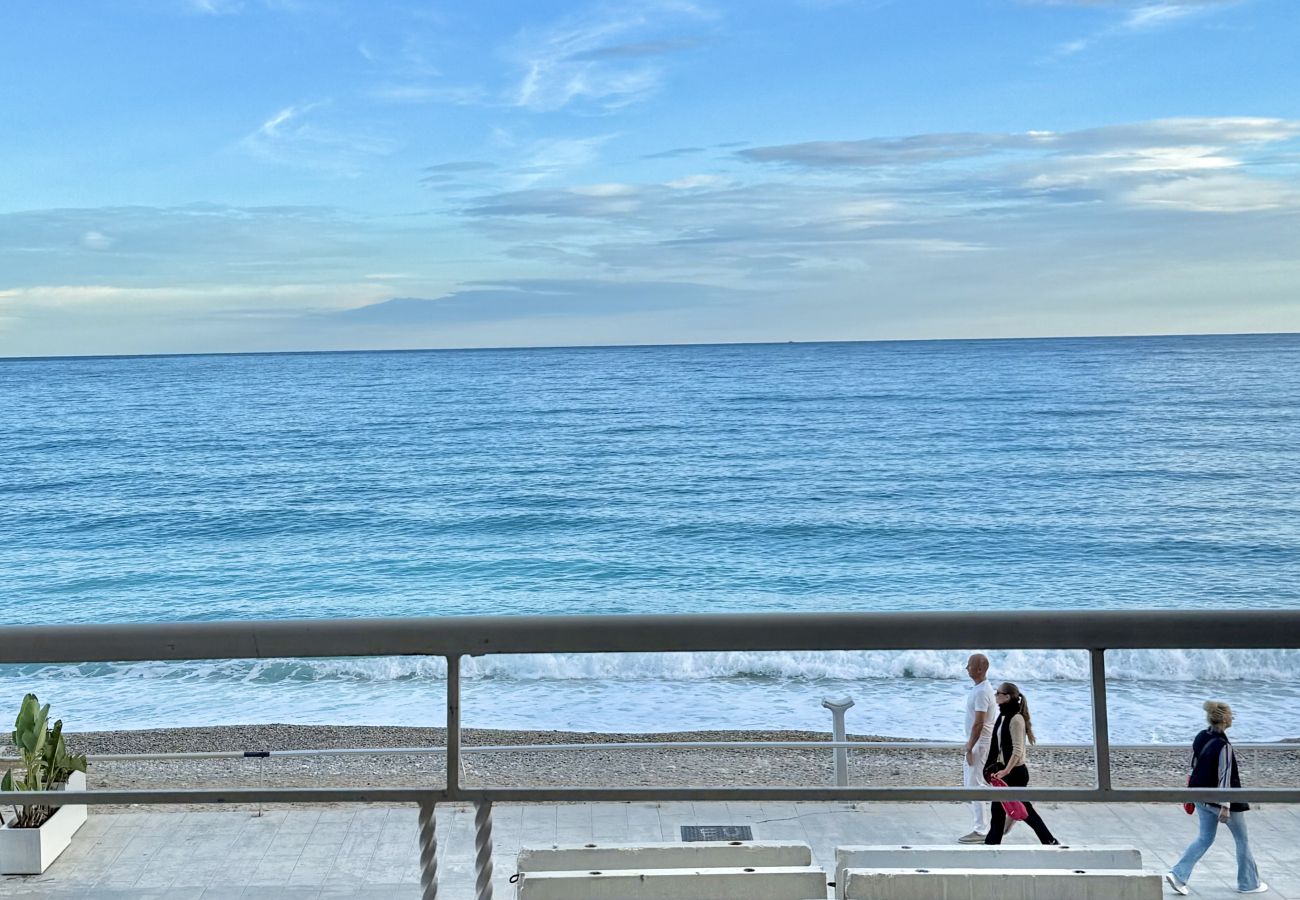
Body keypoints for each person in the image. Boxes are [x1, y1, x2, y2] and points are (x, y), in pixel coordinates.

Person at [1165, 701, 1268, 895]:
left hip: (1199, 795)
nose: (1233, 717)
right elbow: (1225, 777)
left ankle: (1178, 875)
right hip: (1221, 801)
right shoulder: (1224, 746)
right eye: (1231, 715)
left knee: (1204, 838)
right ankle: (1248, 884)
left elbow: (1192, 764)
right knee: (1242, 839)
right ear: (1225, 719)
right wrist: (1225, 806)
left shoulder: (1200, 736)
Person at [982, 682, 1058, 845]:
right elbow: (998, 746)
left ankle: (1050, 841)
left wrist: (1006, 771)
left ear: (1007, 697)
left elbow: (1017, 750)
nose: (995, 695)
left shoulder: (1016, 719)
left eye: (998, 693)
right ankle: (991, 845)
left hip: (1015, 773)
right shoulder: (1002, 717)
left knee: (1025, 811)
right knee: (998, 811)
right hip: (1005, 771)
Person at [958, 653, 997, 842]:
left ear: (980, 669)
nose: (967, 668)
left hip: (979, 743)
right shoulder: (980, 688)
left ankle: (981, 830)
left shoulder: (982, 692)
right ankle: (982, 826)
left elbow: (979, 723)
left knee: (976, 785)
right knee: (972, 784)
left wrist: (969, 746)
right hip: (977, 742)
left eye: (970, 665)